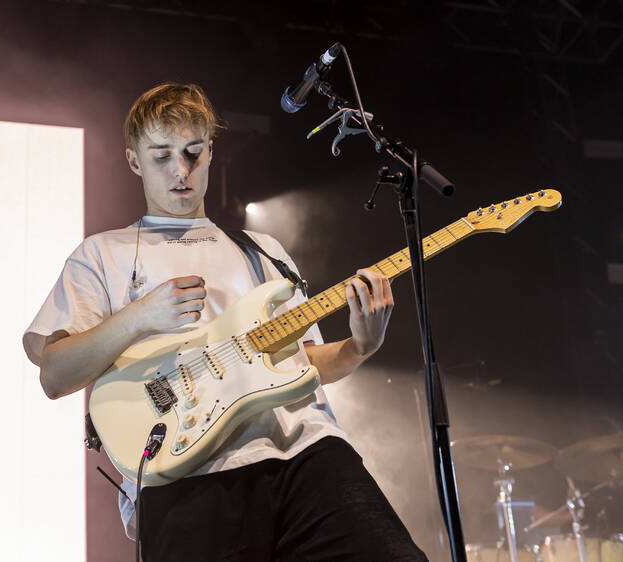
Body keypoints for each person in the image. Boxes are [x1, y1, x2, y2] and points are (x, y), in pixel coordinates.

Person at [23, 82, 428, 561]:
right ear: (134, 160)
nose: (181, 170)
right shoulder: (101, 253)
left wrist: (360, 347)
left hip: (309, 455)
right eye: (162, 155)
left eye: (194, 152)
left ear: (211, 152)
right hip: (188, 473)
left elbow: (304, 362)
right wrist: (139, 317)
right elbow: (55, 374)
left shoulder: (264, 252)